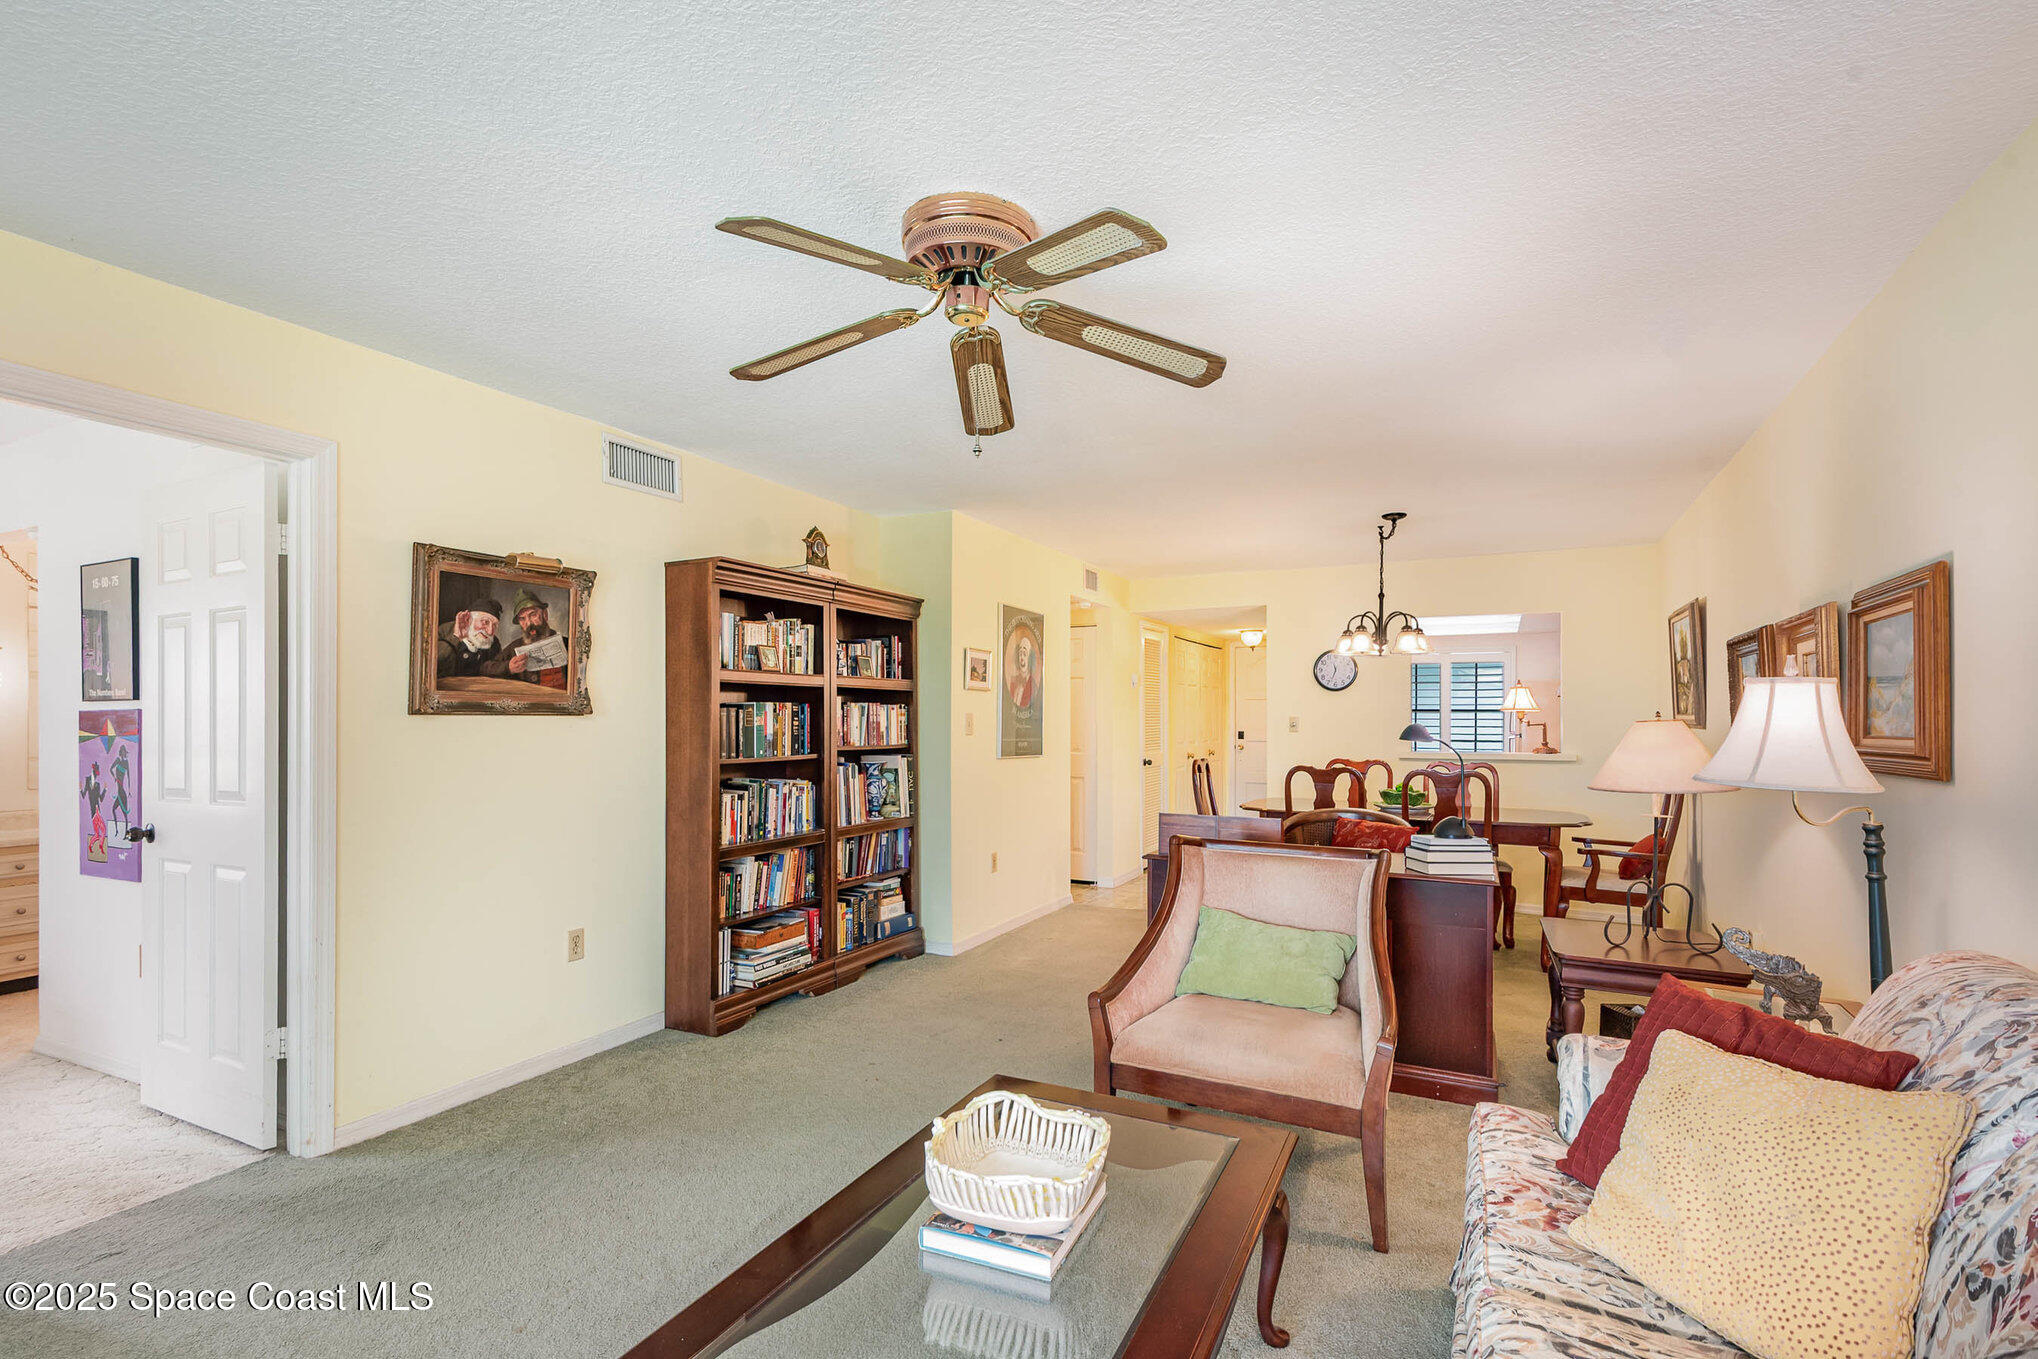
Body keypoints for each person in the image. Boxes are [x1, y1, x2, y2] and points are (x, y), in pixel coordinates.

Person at [482, 588, 568, 691]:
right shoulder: (514, 647)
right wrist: (508, 667)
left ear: (545, 615)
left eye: (533, 615)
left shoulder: (567, 644)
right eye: (522, 619)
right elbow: (485, 668)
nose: (528, 623)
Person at [435, 597, 506, 679]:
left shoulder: (494, 644)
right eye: (485, 622)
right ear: (469, 619)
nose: (490, 631)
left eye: (494, 625)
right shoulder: (443, 632)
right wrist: (457, 638)